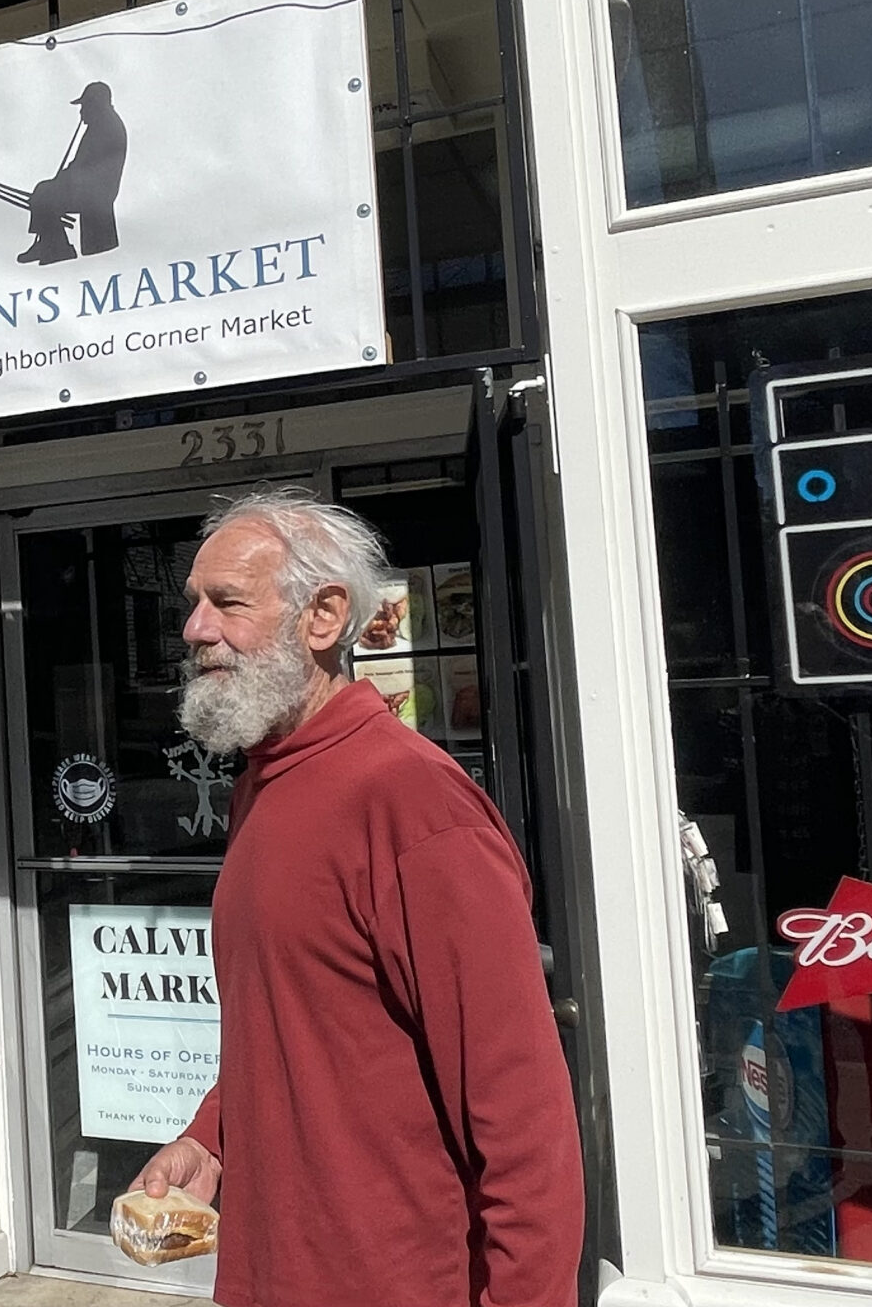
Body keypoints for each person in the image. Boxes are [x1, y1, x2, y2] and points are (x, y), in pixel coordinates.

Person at [130, 489, 583, 1307]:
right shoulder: (264, 782)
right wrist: (211, 1138)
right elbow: (299, 1023)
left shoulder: (413, 804)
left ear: (323, 617)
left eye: (226, 603)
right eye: (194, 605)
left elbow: (525, 1123)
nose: (195, 630)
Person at [18, 81, 126, 264]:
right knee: (45, 190)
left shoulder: (105, 128)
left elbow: (87, 167)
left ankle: (56, 247)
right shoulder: (102, 125)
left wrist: (63, 180)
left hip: (93, 191)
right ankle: (50, 242)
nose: (81, 111)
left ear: (95, 105)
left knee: (44, 193)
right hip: (89, 188)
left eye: (84, 106)